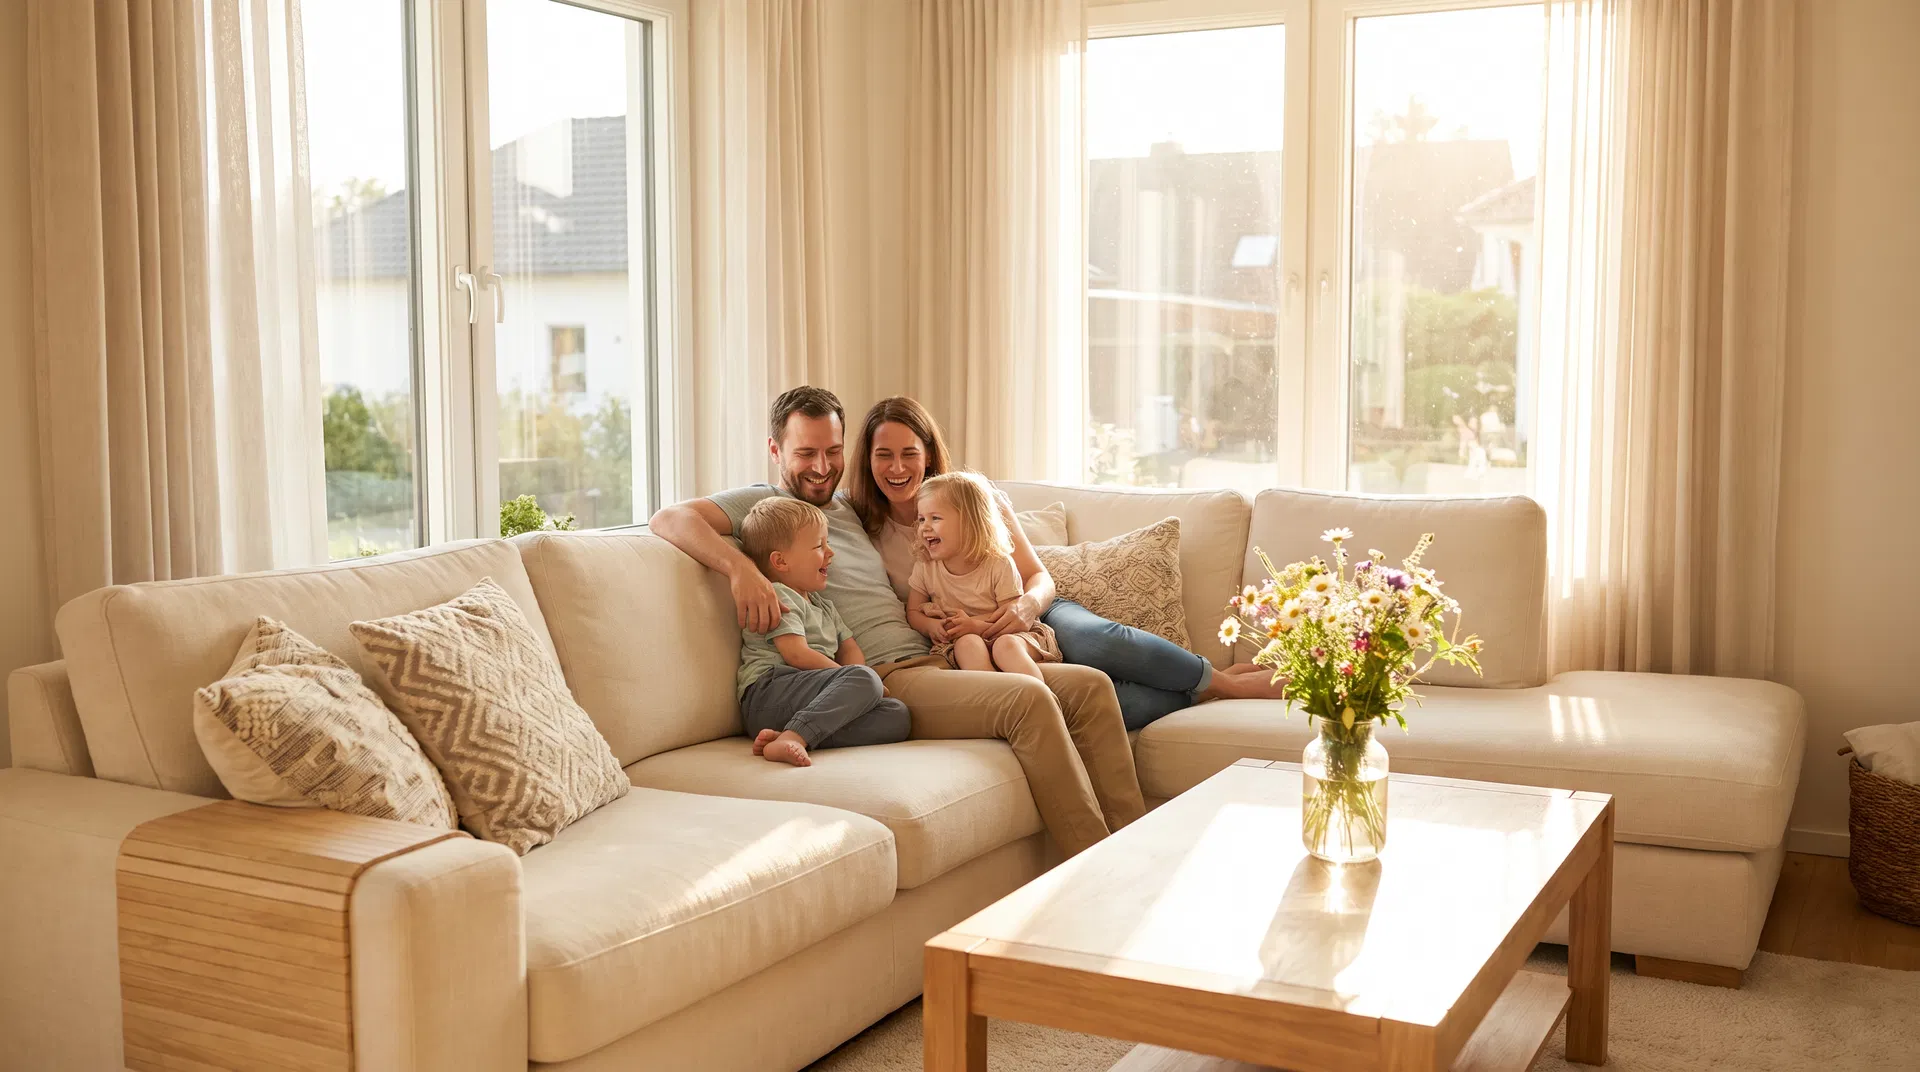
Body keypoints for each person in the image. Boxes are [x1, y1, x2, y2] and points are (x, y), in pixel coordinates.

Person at [648, 386, 1143, 856]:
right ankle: (1091, 863)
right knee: (1026, 699)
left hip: (935, 658)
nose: (821, 467)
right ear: (775, 450)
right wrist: (741, 570)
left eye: (833, 451)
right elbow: (669, 518)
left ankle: (1137, 846)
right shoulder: (768, 507)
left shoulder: (851, 508)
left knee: (1092, 686)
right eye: (805, 453)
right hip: (886, 676)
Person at [845, 396, 1289, 732]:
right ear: (867, 460)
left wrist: (1026, 607)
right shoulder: (862, 528)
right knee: (1099, 704)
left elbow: (1037, 575)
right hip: (975, 642)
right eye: (884, 454)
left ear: (927, 454)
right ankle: (1199, 692)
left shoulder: (976, 501)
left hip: (1030, 613)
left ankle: (1228, 685)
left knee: (1098, 642)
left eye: (909, 453)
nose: (897, 467)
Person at [734, 496, 909, 767]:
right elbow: (796, 654)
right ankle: (794, 737)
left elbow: (849, 648)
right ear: (781, 561)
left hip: (806, 702)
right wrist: (853, 679)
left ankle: (793, 733)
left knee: (897, 716)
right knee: (864, 678)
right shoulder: (779, 595)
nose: (830, 552)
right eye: (819, 545)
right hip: (769, 694)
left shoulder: (823, 606)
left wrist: (861, 687)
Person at [909, 472, 1061, 681]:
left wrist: (975, 625)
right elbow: (913, 611)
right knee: (967, 644)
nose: (925, 527)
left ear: (969, 523)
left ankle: (1039, 695)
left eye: (935, 518)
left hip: (1008, 634)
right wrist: (929, 626)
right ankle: (998, 695)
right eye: (921, 519)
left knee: (1005, 647)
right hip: (963, 639)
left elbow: (1011, 619)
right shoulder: (925, 566)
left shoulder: (999, 563)